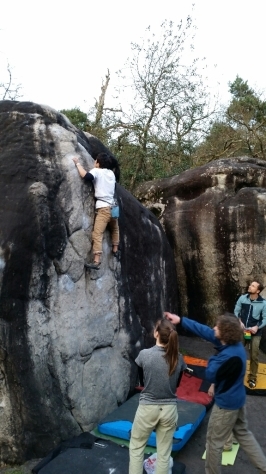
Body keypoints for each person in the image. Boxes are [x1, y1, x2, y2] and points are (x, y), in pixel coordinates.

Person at [164, 311, 266, 474]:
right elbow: (204, 331)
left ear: (224, 333)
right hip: (237, 399)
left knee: (213, 443)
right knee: (243, 434)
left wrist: (215, 356)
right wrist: (181, 321)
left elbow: (210, 373)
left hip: (226, 406)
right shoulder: (234, 345)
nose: (213, 328)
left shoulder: (227, 356)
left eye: (217, 327)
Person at [129, 318, 187, 474]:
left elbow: (142, 381)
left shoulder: (144, 355)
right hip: (169, 409)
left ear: (156, 334)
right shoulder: (178, 357)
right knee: (164, 454)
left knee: (136, 448)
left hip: (147, 407)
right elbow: (177, 384)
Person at [72, 153, 119, 269]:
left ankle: (96, 260)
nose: (94, 163)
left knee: (97, 233)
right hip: (113, 207)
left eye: (95, 161)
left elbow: (86, 176)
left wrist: (77, 163)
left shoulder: (97, 171)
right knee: (115, 228)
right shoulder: (111, 174)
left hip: (103, 208)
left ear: (98, 163)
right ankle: (115, 248)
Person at [234, 280, 266, 388]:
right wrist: (239, 321)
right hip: (244, 331)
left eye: (253, 286)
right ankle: (234, 374)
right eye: (250, 285)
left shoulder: (263, 303)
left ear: (258, 291)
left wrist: (257, 327)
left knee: (254, 355)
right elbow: (236, 311)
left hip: (255, 333)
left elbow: (265, 318)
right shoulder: (242, 298)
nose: (249, 286)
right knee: (236, 352)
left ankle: (252, 378)